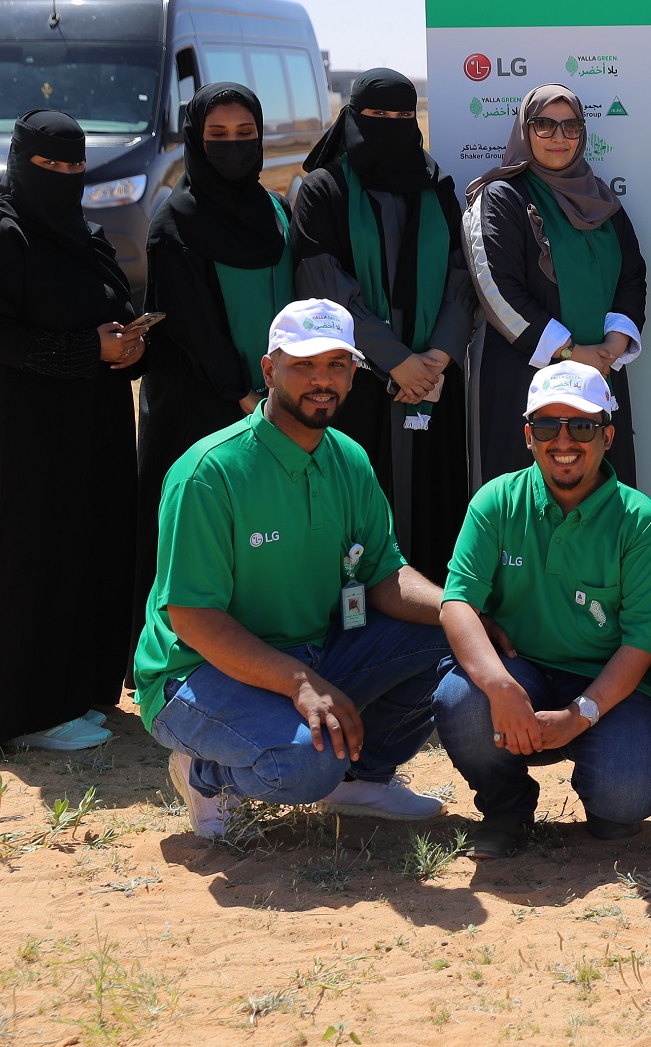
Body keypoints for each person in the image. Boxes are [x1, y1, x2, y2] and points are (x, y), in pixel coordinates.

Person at [134, 301, 451, 838]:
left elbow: (381, 575)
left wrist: (458, 611)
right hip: (196, 671)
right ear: (268, 370)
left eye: (336, 365)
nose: (321, 380)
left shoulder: (349, 459)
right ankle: (204, 773)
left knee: (449, 638)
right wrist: (301, 684)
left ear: (354, 374)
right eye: (303, 365)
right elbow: (193, 619)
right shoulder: (210, 473)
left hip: (311, 652)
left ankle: (363, 779)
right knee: (307, 766)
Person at [0, 109, 146, 751]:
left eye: (74, 166)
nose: (63, 177)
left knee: (87, 549)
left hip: (91, 423)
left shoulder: (81, 236)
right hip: (25, 433)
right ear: (18, 162)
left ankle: (75, 693)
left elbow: (107, 307)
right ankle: (26, 712)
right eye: (48, 166)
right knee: (30, 557)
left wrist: (126, 341)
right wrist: (83, 350)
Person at [433, 363, 651, 858]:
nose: (563, 440)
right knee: (463, 700)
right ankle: (507, 806)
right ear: (529, 436)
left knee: (624, 803)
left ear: (608, 436)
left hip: (610, 689)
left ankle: (602, 790)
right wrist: (500, 686)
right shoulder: (496, 501)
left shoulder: (638, 519)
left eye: (582, 426)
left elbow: (641, 642)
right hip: (523, 673)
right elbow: (457, 604)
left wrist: (579, 715)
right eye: (547, 425)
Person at [291, 69, 472, 578]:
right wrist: (397, 361)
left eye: (402, 115)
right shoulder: (323, 191)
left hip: (434, 382)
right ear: (351, 118)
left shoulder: (436, 187)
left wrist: (437, 356)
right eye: (377, 116)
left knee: (434, 501)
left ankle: (435, 622)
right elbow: (324, 283)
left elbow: (462, 275)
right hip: (358, 383)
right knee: (360, 507)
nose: (391, 125)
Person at [138, 84, 296, 617]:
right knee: (196, 535)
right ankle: (174, 662)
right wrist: (248, 397)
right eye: (218, 136)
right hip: (201, 408)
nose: (233, 146)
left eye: (245, 134)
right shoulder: (175, 221)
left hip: (271, 405)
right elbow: (193, 329)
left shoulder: (276, 210)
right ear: (195, 141)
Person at [462, 84, 646, 489]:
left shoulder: (602, 202)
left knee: (601, 494)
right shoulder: (501, 197)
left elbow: (632, 278)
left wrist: (613, 347)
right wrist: (569, 351)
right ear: (525, 131)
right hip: (523, 378)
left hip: (600, 374)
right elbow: (498, 293)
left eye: (571, 127)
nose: (559, 137)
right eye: (544, 125)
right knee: (525, 501)